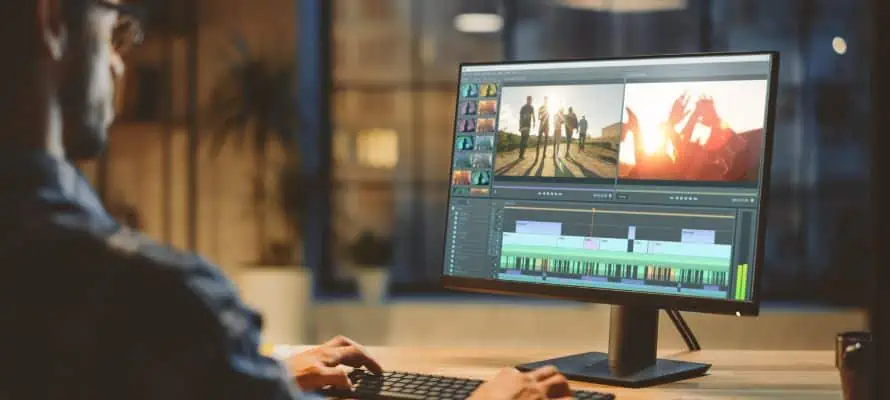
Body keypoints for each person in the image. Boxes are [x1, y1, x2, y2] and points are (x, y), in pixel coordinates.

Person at [0, 1, 573, 399]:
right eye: (113, 24)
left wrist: (252, 376)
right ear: (51, 18)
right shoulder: (153, 303)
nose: (120, 59)